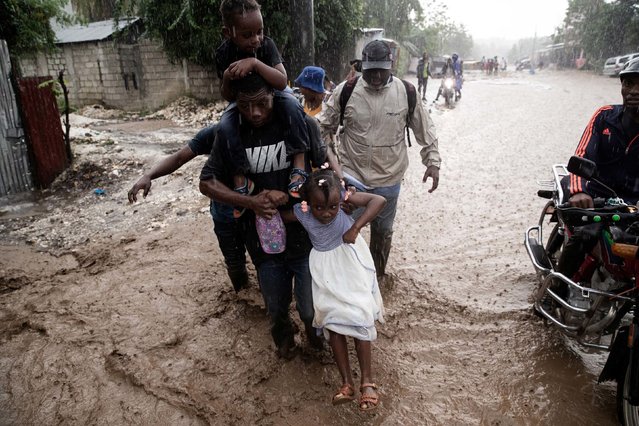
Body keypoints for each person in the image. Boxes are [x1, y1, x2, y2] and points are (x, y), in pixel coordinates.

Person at [199, 73, 324, 359]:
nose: (254, 113)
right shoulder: (229, 133)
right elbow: (206, 182)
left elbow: (324, 171)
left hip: (303, 237)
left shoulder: (300, 123)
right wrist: (250, 201)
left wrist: (301, 194)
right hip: (261, 241)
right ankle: (285, 346)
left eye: (261, 104)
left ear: (274, 95)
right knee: (276, 307)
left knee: (309, 306)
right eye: (245, 106)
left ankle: (316, 341)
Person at [320, 39, 441, 280]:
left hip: (389, 179)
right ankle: (346, 281)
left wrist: (433, 162)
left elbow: (425, 130)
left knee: (383, 232)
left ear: (392, 66)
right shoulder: (345, 91)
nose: (375, 76)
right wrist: (330, 166)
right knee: (342, 229)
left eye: (381, 70)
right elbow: (324, 128)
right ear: (362, 66)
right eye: (370, 70)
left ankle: (377, 278)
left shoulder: (406, 93)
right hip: (351, 177)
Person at [284, 169, 386, 410]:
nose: (327, 213)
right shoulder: (302, 212)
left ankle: (367, 382)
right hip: (324, 272)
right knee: (332, 322)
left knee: (360, 317)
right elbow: (278, 216)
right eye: (319, 208)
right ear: (307, 202)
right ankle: (347, 383)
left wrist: (356, 227)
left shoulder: (345, 199)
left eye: (333, 206)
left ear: (340, 198)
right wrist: (258, 205)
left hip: (350, 266)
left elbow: (378, 201)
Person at [127, 125, 250, 293]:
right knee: (235, 263)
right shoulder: (218, 131)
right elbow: (179, 158)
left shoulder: (268, 130)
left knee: (267, 261)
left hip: (256, 209)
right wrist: (148, 175)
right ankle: (245, 299)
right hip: (224, 211)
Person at [215, 0, 309, 214]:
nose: (255, 39)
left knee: (293, 105)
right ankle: (241, 178)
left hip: (273, 94)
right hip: (243, 102)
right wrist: (228, 79)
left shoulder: (266, 45)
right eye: (247, 35)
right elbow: (228, 96)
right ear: (228, 33)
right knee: (225, 126)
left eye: (259, 31)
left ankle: (299, 163)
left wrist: (255, 63)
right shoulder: (223, 53)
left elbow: (282, 81)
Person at [555, 58, 639, 284]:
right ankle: (555, 292)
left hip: (632, 202)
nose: (633, 91)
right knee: (585, 234)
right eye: (629, 83)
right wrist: (580, 191)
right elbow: (582, 154)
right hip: (597, 193)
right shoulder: (604, 116)